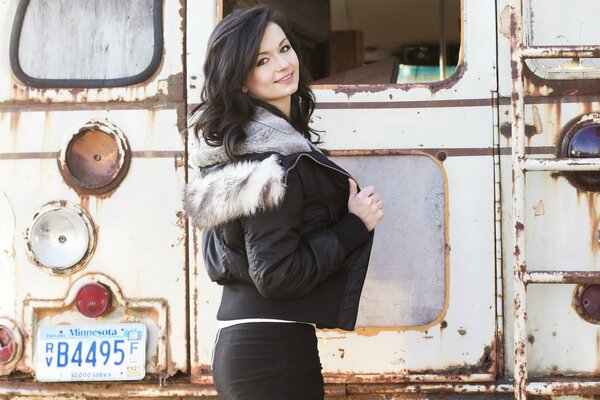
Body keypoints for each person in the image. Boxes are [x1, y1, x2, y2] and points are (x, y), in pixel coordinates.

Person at [185, 5, 383, 399]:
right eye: (262, 60)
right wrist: (353, 227)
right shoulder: (271, 164)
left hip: (259, 342)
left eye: (285, 48)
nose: (282, 63)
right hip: (270, 352)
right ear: (240, 80)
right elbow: (275, 275)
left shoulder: (243, 155)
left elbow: (227, 258)